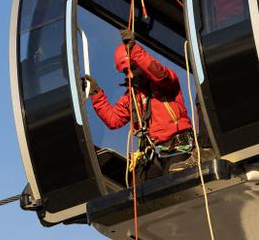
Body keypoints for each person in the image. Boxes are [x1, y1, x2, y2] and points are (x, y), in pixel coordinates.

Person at [83, 31, 197, 175]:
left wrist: (135, 51)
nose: (130, 74)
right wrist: (96, 94)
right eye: (125, 71)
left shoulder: (165, 82)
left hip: (179, 148)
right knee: (140, 184)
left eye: (133, 68)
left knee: (175, 178)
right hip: (153, 155)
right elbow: (113, 120)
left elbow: (159, 74)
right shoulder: (131, 96)